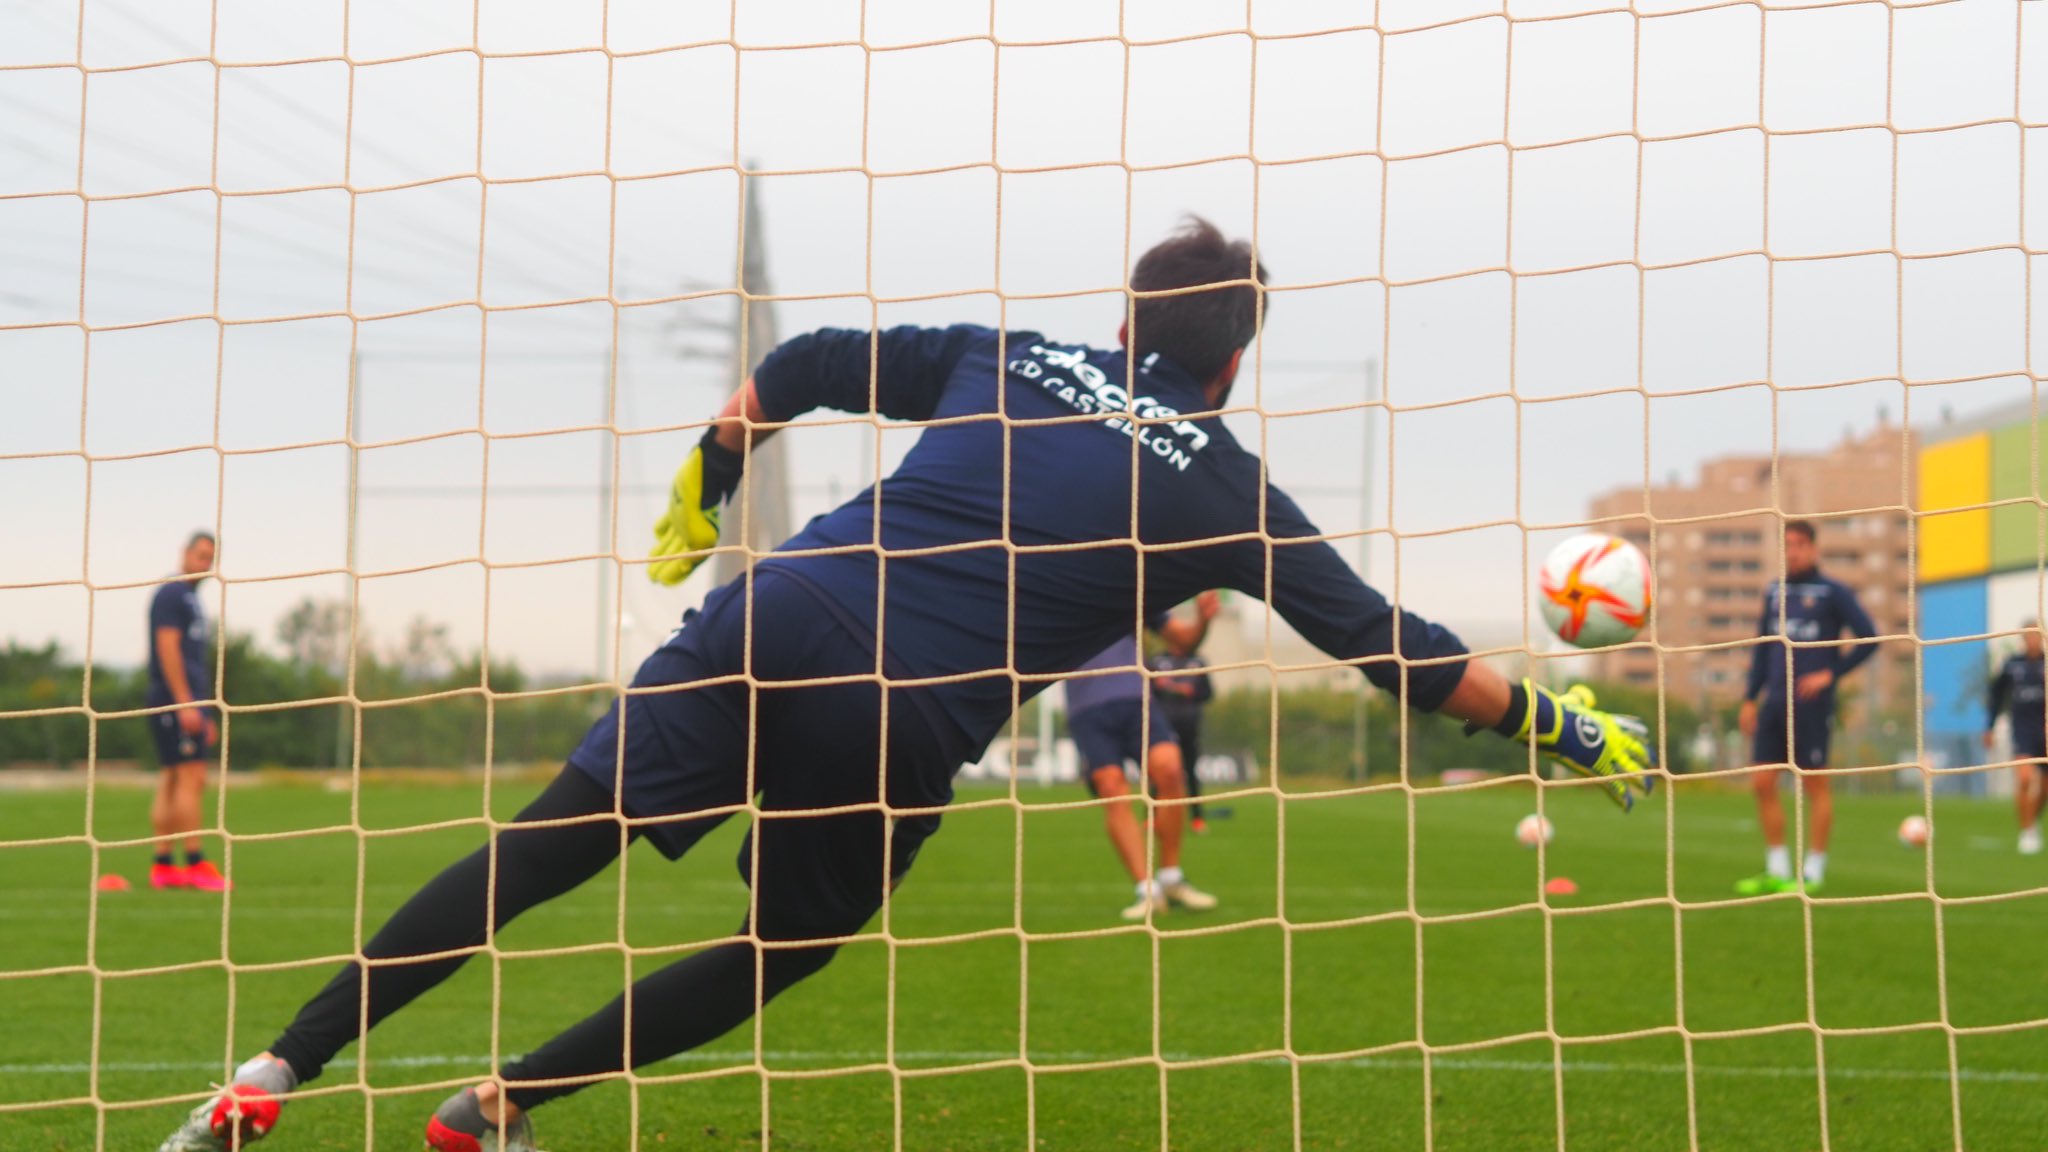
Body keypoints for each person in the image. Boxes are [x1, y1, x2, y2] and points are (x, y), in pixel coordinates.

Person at [156, 218, 1655, 1152]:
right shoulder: (1231, 488)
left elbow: (804, 355)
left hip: (775, 604)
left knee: (544, 850)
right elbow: (1393, 649)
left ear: (1125, 321)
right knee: (783, 944)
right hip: (895, 712)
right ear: (1237, 365)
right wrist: (1557, 720)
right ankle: (499, 1109)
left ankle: (268, 1077)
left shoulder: (1006, 356)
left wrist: (715, 459)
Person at [1733, 519, 1878, 895]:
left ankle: (1814, 870)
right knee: (1762, 782)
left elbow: (1870, 638)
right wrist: (1750, 697)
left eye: (1799, 544)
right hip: (1773, 704)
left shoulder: (1832, 592)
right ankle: (1777, 868)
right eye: (1788, 545)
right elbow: (1762, 648)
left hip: (1811, 706)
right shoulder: (1773, 592)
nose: (1793, 551)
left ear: (1813, 548)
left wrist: (1832, 673)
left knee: (1814, 784)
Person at [1068, 608, 1218, 920]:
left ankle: (1171, 877)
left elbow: (1183, 639)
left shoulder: (1131, 582)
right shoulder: (1057, 589)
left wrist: (1202, 621)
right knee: (1112, 786)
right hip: (1087, 708)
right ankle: (1147, 890)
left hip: (1137, 699)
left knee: (1171, 769)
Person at [144, 531, 229, 893]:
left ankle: (163, 865)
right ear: (184, 553)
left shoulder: (190, 598)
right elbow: (168, 647)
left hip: (183, 702)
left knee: (174, 778)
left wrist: (203, 708)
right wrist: (185, 703)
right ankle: (195, 863)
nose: (204, 564)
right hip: (174, 701)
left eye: (210, 558)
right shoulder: (172, 593)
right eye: (200, 555)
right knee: (192, 777)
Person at [1147, 591, 1220, 833]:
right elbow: (1147, 693)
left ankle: (1197, 818)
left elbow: (1208, 693)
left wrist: (1187, 691)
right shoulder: (1157, 662)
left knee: (1190, 771)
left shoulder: (1198, 661)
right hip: (1163, 725)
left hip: (1189, 725)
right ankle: (1153, 816)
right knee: (1161, 771)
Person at [1985, 620, 2046, 855]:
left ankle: (2033, 819)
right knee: (2024, 778)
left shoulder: (2046, 664)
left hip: (2045, 730)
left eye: (2036, 635)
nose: (2032, 639)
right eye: (2028, 636)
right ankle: (2027, 831)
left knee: (2045, 788)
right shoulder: (2012, 665)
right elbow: (1995, 695)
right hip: (2022, 730)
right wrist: (1989, 726)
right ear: (2022, 638)